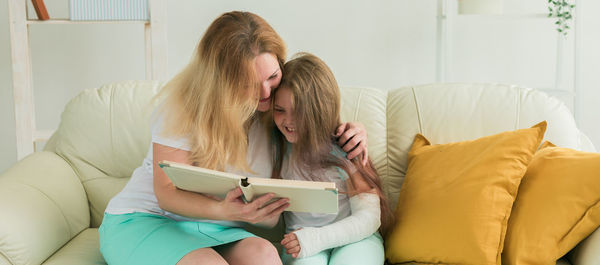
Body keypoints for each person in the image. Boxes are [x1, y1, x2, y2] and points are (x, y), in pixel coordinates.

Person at [99, 11, 369, 265]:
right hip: (148, 219)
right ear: (221, 82)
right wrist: (229, 212)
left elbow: (312, 120)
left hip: (216, 227)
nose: (265, 93)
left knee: (265, 256)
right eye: (249, 84)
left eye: (273, 76)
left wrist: (349, 132)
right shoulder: (183, 108)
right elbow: (166, 194)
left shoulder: (276, 109)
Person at [271, 53, 395, 265]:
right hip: (300, 243)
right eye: (280, 110)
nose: (289, 121)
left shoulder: (344, 147)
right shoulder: (274, 148)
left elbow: (369, 218)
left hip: (356, 240)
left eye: (299, 112)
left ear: (319, 111)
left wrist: (317, 238)